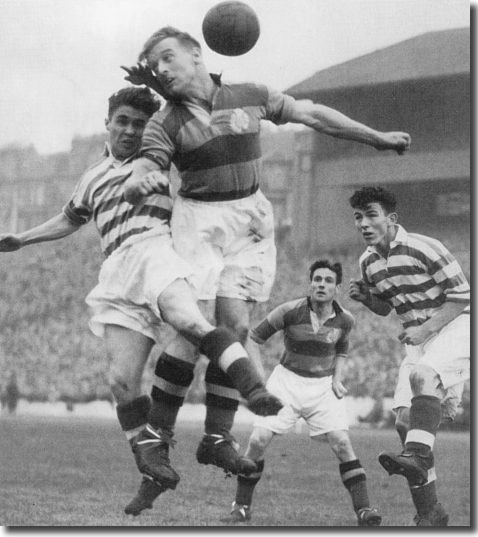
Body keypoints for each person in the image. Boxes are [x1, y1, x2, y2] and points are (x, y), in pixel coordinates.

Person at [121, 25, 411, 511]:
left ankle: (215, 437)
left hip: (252, 217)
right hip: (200, 219)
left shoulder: (249, 95)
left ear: (196, 53)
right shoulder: (164, 123)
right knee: (191, 329)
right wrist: (141, 181)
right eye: (156, 63)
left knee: (234, 327)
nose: (163, 68)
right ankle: (159, 433)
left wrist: (375, 138)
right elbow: (144, 167)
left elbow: (311, 113)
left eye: (169, 56)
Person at [0, 86, 282, 513]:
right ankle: (151, 459)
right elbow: (70, 217)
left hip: (156, 250)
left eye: (139, 124)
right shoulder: (91, 176)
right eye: (123, 122)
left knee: (189, 322)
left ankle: (252, 388)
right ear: (108, 124)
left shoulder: (160, 158)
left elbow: (192, 135)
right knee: (121, 380)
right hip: (116, 269)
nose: (131, 131)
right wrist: (23, 238)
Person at [221, 260, 382, 526]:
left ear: (337, 288)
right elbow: (253, 337)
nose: (321, 284)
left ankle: (364, 511)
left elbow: (341, 350)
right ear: (310, 283)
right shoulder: (289, 311)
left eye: (328, 280)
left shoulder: (345, 320)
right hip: (286, 382)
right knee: (258, 440)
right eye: (317, 279)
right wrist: (259, 378)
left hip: (322, 386)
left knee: (342, 443)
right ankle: (240, 507)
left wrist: (338, 378)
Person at [348, 186, 470, 526]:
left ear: (391, 218)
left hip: (457, 326)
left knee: (422, 378)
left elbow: (461, 296)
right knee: (403, 421)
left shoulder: (424, 246)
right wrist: (366, 299)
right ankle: (431, 511)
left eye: (371, 215)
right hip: (418, 340)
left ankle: (417, 457)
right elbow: (386, 307)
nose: (364, 224)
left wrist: (427, 329)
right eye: (358, 217)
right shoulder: (367, 261)